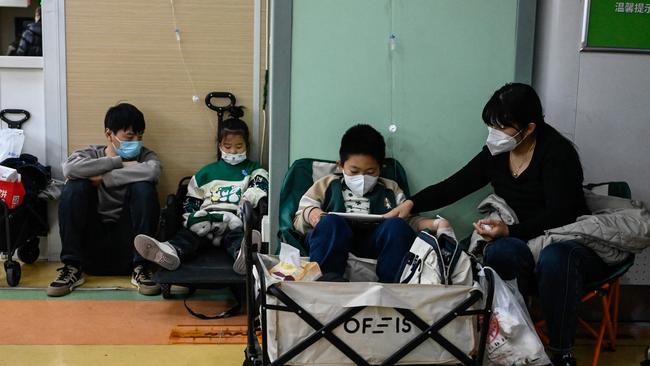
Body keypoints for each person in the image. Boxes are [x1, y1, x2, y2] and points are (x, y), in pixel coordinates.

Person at [385, 83, 605, 366]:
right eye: (491, 125)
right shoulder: (496, 153)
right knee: (500, 253)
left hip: (564, 238)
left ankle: (562, 352)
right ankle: (518, 341)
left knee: (554, 258)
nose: (495, 134)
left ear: (528, 128)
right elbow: (457, 184)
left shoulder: (558, 155)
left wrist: (510, 231)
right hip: (523, 236)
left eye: (502, 127)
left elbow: (561, 214)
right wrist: (412, 203)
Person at [294, 124, 441, 283]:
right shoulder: (326, 184)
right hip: (333, 239)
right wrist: (312, 214)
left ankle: (393, 283)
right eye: (354, 171)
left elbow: (407, 220)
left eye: (370, 172)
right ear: (341, 165)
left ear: (381, 168)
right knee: (330, 222)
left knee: (396, 226)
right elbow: (298, 219)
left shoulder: (391, 188)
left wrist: (433, 224)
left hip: (374, 242)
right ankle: (327, 279)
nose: (362, 178)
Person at [133, 107, 268, 275]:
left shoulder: (254, 168)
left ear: (246, 146)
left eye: (239, 146)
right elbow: (191, 201)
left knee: (236, 238)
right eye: (228, 146)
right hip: (206, 220)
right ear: (220, 146)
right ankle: (170, 251)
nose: (233, 151)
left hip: (233, 220)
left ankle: (243, 255)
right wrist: (192, 219)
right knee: (188, 236)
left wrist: (245, 201)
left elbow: (260, 186)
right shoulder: (206, 173)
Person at [47, 103, 162, 297]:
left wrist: (104, 178)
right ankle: (72, 267)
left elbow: (152, 171)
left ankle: (141, 267)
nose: (136, 141)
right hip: (92, 242)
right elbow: (69, 170)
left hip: (129, 244)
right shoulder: (88, 154)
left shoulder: (146, 156)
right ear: (109, 134)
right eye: (129, 136)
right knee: (75, 186)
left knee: (144, 187)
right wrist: (117, 162)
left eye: (140, 136)